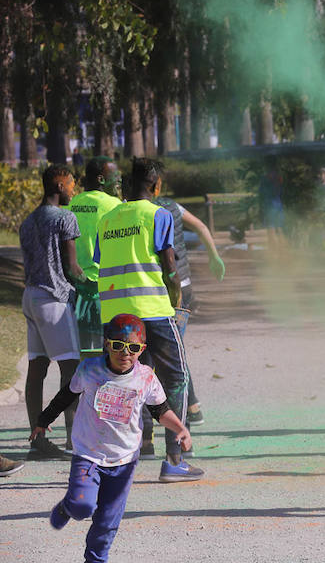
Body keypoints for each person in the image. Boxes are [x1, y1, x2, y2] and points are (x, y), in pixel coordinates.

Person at [30, 314, 193, 562]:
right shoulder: (89, 368)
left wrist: (180, 428)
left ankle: (95, 559)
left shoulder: (146, 377)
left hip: (124, 460)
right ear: (106, 343)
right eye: (117, 345)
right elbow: (67, 395)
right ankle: (68, 506)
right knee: (83, 505)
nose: (124, 353)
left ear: (142, 349)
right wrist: (43, 420)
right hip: (88, 453)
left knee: (107, 521)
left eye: (133, 348)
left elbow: (160, 410)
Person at [94, 158, 203, 482]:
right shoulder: (159, 214)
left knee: (122, 382)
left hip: (115, 316)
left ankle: (115, 460)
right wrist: (177, 298)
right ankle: (174, 459)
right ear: (155, 186)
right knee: (177, 377)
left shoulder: (108, 218)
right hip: (153, 310)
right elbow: (170, 266)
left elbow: (105, 262)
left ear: (128, 185)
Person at [151, 168, 226, 433]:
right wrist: (213, 256)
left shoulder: (141, 211)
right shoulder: (174, 206)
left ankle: (188, 411)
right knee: (174, 347)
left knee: (169, 351)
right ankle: (192, 407)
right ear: (157, 185)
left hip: (164, 288)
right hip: (184, 285)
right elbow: (203, 227)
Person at [19, 164, 85, 459]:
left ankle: (38, 440)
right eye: (72, 184)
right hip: (54, 300)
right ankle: (76, 439)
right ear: (59, 185)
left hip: (31, 297)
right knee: (71, 369)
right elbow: (72, 268)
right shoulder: (64, 218)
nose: (74, 189)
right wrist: (93, 283)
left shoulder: (28, 221)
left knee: (37, 370)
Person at [67, 156, 122, 360]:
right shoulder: (114, 205)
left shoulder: (73, 203)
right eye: (114, 176)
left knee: (84, 352)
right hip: (105, 288)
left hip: (78, 286)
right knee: (108, 352)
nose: (118, 180)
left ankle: (84, 390)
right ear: (101, 179)